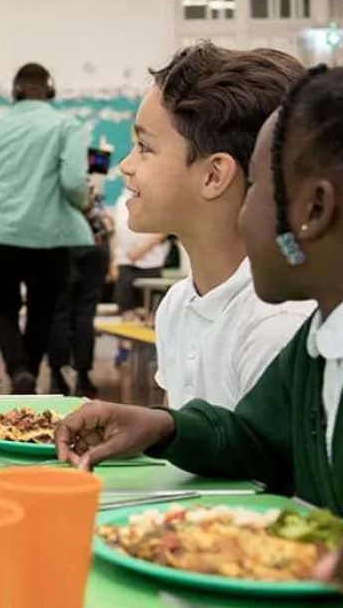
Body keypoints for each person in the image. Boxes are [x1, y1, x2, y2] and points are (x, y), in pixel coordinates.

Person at [55, 53, 343, 607]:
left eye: (259, 196)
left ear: (312, 212)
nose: (244, 218)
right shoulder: (317, 343)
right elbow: (257, 440)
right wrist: (165, 427)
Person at [123, 42, 314, 409]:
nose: (126, 166)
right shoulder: (178, 305)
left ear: (214, 175)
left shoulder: (278, 324)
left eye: (145, 147)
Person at [0, 63, 92, 394]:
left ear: (15, 90)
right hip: (49, 233)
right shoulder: (67, 125)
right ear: (49, 90)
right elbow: (73, 182)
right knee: (43, 309)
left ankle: (17, 368)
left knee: (3, 308)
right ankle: (31, 374)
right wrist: (85, 203)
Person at [48, 182, 111, 397]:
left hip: (63, 245)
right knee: (85, 313)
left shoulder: (51, 188)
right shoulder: (88, 188)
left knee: (59, 313)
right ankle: (83, 376)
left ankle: (58, 377)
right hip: (96, 244)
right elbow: (103, 223)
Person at [109, 187, 169, 318]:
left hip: (151, 263)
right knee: (126, 309)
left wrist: (141, 251)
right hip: (125, 263)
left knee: (153, 311)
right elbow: (116, 232)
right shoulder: (121, 200)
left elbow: (165, 229)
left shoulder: (156, 196)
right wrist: (113, 260)